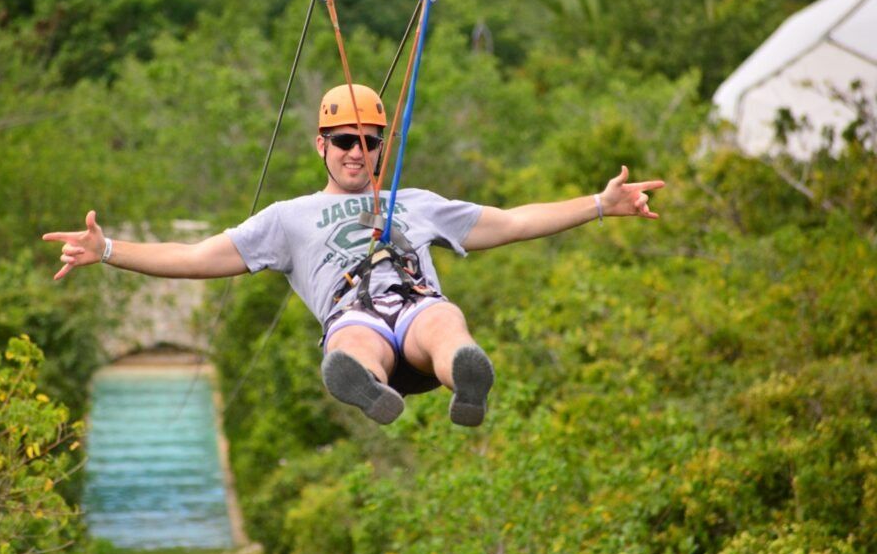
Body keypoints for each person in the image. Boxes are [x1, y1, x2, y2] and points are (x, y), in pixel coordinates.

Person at [43, 84, 664, 427]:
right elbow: (199, 255)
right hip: (353, 312)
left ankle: (465, 381)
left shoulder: (414, 202)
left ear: (380, 146)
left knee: (444, 323)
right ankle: (365, 387)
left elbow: (512, 221)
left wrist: (599, 204)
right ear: (321, 144)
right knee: (352, 345)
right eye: (344, 141)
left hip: (416, 303)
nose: (356, 153)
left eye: (369, 142)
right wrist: (111, 250)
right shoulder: (288, 218)